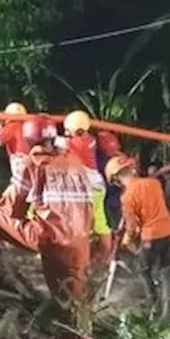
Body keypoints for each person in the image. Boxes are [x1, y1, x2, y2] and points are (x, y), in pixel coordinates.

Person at [0, 115, 101, 339]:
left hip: (48, 238)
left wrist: (16, 224)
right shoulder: (76, 162)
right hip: (79, 241)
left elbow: (14, 207)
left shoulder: (34, 163)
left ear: (29, 140)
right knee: (74, 299)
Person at [107, 155, 170, 319]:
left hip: (151, 237)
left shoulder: (127, 197)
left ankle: (153, 307)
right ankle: (169, 311)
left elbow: (132, 227)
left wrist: (127, 239)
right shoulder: (154, 183)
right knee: (167, 270)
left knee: (143, 269)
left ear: (116, 179)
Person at [63, 110, 112, 265]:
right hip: (96, 185)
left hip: (88, 189)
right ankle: (105, 255)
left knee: (79, 223)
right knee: (100, 222)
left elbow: (52, 141)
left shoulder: (76, 142)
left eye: (68, 130)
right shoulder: (89, 138)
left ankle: (80, 258)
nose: (66, 133)